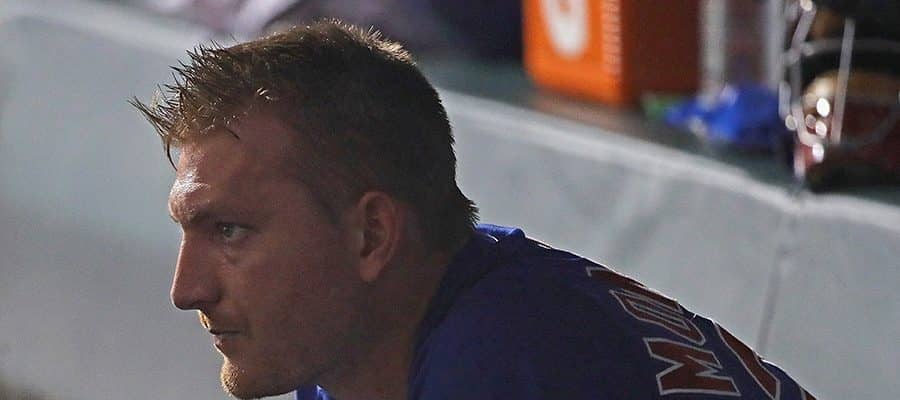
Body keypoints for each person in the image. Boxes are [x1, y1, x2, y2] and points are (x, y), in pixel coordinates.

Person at [133, 20, 816, 400]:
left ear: (371, 235)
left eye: (229, 231)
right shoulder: (359, 346)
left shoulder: (509, 364)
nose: (186, 289)